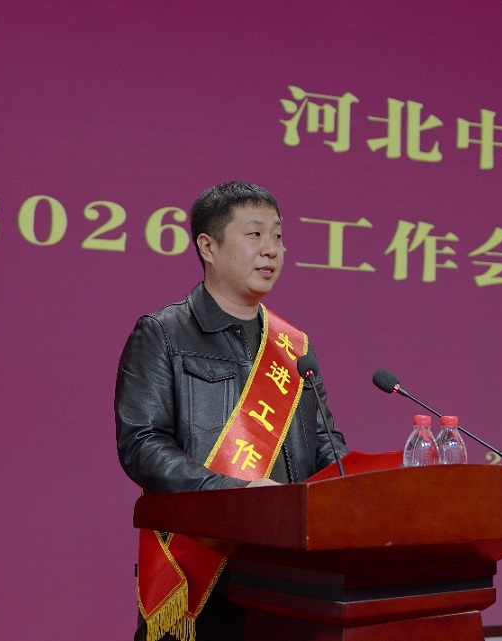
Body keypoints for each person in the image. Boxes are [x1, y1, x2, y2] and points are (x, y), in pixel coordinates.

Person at [115, 181, 348, 641]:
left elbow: (325, 443)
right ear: (208, 246)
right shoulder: (162, 333)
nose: (271, 250)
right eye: (255, 234)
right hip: (204, 570)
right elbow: (142, 444)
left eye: (278, 236)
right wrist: (234, 493)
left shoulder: (293, 347)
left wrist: (353, 488)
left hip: (291, 575)